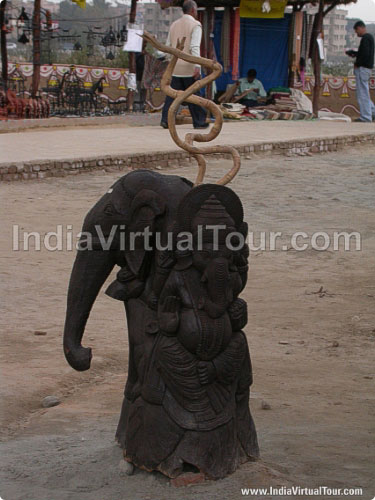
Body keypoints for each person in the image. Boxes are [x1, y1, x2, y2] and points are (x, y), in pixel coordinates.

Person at [160, 0, 208, 129]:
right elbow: (194, 47)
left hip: (175, 67)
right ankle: (199, 122)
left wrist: (168, 62)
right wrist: (197, 66)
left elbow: (169, 45)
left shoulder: (174, 25)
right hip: (189, 68)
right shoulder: (196, 25)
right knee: (194, 96)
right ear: (193, 10)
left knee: (172, 96)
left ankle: (166, 120)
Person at [346, 20, 375, 122]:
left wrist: (357, 64)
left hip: (363, 69)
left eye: (357, 30)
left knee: (362, 93)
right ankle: (372, 112)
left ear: (361, 28)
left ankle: (366, 116)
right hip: (366, 68)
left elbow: (365, 54)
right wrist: (354, 53)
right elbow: (363, 53)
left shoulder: (366, 38)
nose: (357, 33)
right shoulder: (369, 38)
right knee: (364, 92)